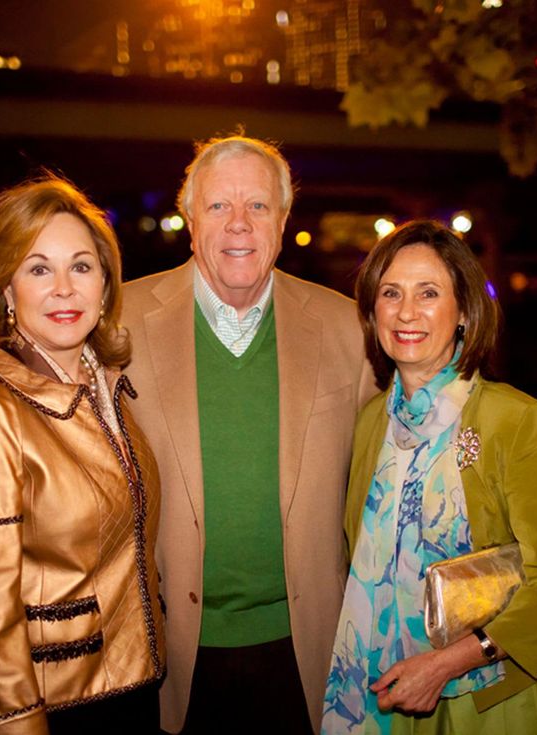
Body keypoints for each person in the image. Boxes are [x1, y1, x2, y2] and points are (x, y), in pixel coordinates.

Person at [120, 134, 376, 734]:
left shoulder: (349, 330)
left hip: (305, 647)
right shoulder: (117, 324)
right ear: (190, 218)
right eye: (218, 206)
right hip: (166, 655)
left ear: (283, 220)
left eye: (258, 206)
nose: (239, 224)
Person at [323, 220, 537, 734]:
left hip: (490, 701)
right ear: (372, 311)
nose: (406, 312)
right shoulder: (369, 423)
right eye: (390, 293)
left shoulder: (514, 421)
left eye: (429, 293)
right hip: (381, 693)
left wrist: (445, 664)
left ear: (465, 312)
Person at [0, 174, 165, 735]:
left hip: (138, 689)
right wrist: (17, 723)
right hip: (56, 708)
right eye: (39, 269)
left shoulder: (105, 387)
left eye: (81, 266)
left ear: (105, 285)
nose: (64, 288)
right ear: (7, 291)